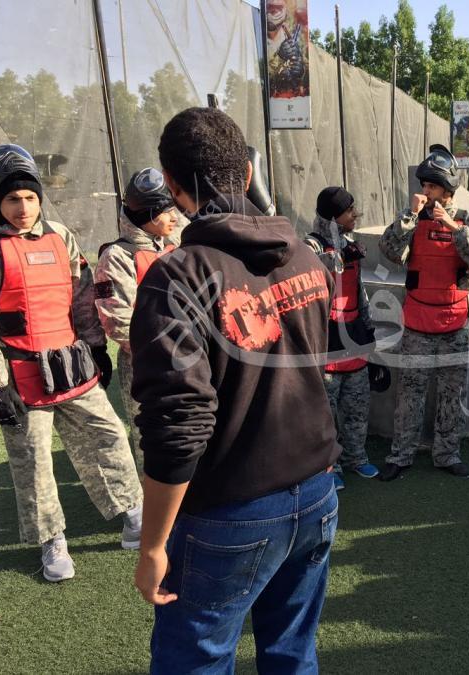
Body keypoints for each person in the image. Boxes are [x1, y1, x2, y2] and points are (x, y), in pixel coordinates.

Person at [131, 107, 340, 673]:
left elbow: (179, 422)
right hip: (318, 490)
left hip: (232, 506)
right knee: (293, 652)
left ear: (171, 185)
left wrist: (152, 545)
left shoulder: (177, 275)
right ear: (247, 172)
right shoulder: (305, 255)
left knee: (196, 659)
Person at [0, 145, 143, 582]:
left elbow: (82, 296)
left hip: (72, 365)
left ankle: (133, 516)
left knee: (108, 434)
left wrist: (95, 347)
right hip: (21, 375)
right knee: (33, 460)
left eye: (30, 197)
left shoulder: (60, 236)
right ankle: (53, 541)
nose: (23, 208)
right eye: (13, 199)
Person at [378, 145, 469, 481]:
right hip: (417, 322)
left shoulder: (468, 220)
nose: (425, 192)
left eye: (431, 186)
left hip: (454, 324)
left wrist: (454, 228)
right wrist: (409, 216)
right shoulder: (412, 219)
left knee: (451, 393)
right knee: (410, 393)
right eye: (424, 186)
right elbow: (389, 251)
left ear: (447, 189)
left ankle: (447, 455)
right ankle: (401, 456)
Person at [94, 168, 180, 474]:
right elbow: (117, 319)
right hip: (146, 363)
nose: (174, 217)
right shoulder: (117, 256)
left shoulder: (171, 247)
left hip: (185, 358)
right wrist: (165, 350)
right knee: (151, 438)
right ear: (147, 213)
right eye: (166, 211)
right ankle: (154, 499)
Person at [305, 187, 382, 490]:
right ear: (333, 216)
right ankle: (330, 466)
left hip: (354, 339)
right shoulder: (311, 245)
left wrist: (369, 330)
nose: (355, 215)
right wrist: (335, 256)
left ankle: (356, 458)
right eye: (349, 211)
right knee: (327, 414)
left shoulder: (351, 245)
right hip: (326, 343)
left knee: (357, 407)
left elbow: (359, 292)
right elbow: (310, 275)